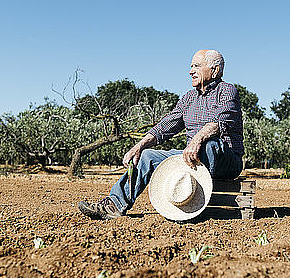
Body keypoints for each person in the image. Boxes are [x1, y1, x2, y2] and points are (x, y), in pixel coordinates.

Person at [78, 49, 244, 220]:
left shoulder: (227, 91)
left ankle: (193, 203)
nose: (190, 71)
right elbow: (166, 125)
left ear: (215, 70)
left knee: (209, 145)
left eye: (196, 66)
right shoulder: (188, 98)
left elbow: (220, 121)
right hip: (193, 157)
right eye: (190, 66)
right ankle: (114, 204)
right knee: (147, 156)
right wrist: (139, 146)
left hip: (226, 159)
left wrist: (197, 139)